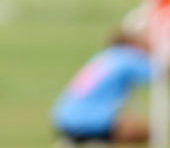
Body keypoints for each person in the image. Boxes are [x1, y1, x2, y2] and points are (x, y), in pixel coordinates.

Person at [51, 16, 154, 145]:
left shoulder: (108, 55)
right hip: (90, 122)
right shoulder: (129, 58)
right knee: (151, 132)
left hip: (64, 118)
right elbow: (159, 75)